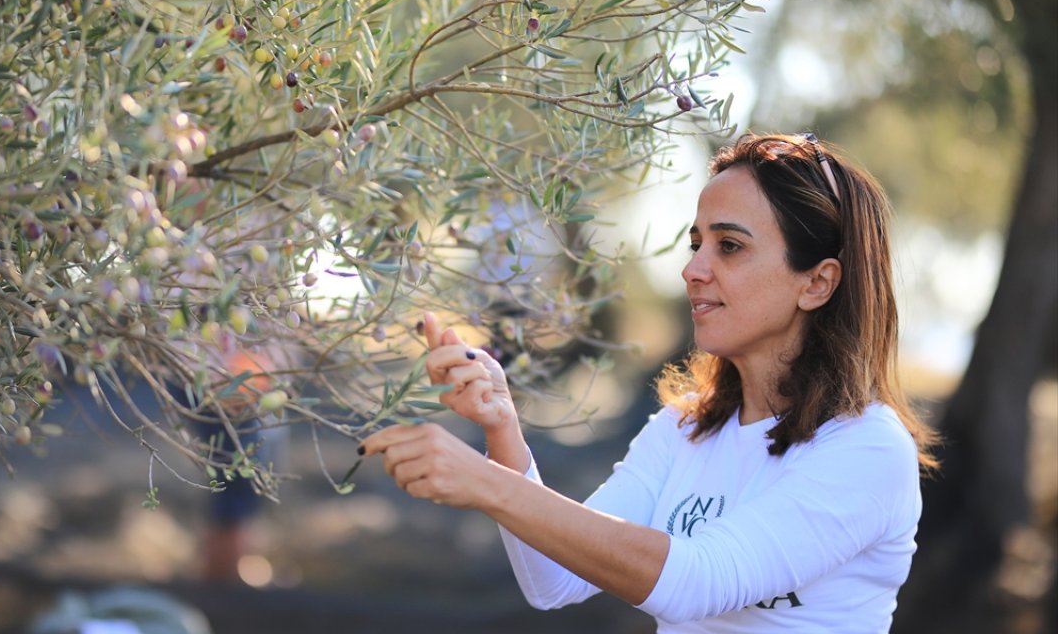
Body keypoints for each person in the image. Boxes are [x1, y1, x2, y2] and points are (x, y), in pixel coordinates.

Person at [360, 133, 940, 631]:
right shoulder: (683, 429)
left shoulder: (865, 447)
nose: (692, 269)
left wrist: (484, 483)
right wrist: (501, 430)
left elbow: (693, 580)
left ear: (816, 283)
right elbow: (554, 581)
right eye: (696, 244)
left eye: (730, 246)